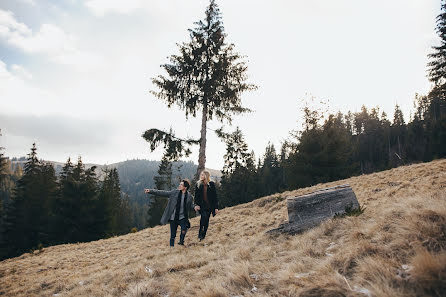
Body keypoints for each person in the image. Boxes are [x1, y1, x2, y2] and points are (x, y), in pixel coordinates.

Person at [144, 179, 195, 247]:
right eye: (179, 184)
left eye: (181, 185)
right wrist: (151, 191)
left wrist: (195, 207)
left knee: (184, 229)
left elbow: (191, 205)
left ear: (185, 187)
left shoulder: (189, 197)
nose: (179, 185)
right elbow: (163, 193)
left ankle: (181, 242)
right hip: (173, 218)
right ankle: (171, 248)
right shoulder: (174, 193)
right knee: (172, 235)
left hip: (182, 217)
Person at [194, 170, 218, 241]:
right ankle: (200, 232)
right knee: (203, 217)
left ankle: (203, 235)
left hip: (210, 206)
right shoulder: (198, 184)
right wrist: (196, 205)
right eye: (201, 175)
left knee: (206, 220)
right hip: (202, 205)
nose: (201, 176)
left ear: (206, 176)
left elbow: (215, 197)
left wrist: (216, 207)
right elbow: (196, 196)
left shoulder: (211, 184)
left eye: (203, 175)